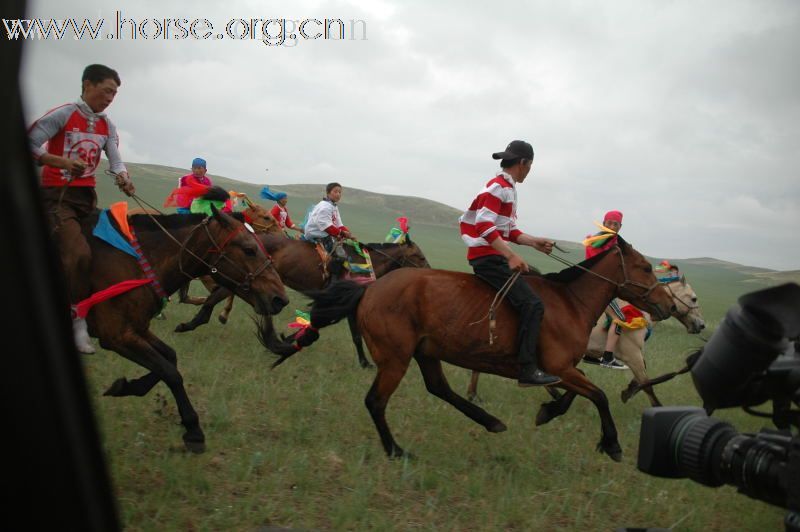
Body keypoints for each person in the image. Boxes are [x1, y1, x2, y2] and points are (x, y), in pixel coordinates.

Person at [28, 64, 135, 354]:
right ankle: (75, 324)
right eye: (106, 91)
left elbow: (115, 160)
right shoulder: (63, 114)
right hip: (57, 197)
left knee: (112, 250)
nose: (110, 98)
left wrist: (123, 178)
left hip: (86, 198)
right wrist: (59, 162)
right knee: (78, 254)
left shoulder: (106, 125)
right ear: (88, 85)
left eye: (114, 93)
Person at [459, 140, 560, 386]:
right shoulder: (499, 187)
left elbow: (508, 230)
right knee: (533, 305)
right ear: (524, 163)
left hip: (492, 255)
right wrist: (510, 255)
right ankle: (526, 369)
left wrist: (534, 242)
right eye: (530, 165)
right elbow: (484, 226)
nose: (530, 170)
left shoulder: (507, 187)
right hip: (488, 259)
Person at [583, 210, 628, 369]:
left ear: (620, 227)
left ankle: (589, 354)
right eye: (609, 223)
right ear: (604, 223)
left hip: (599, 286)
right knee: (620, 318)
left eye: (615, 224)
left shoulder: (613, 242)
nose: (612, 226)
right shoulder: (598, 241)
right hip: (598, 287)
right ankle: (608, 357)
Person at [303, 182, 353, 276]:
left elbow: (339, 224)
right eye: (335, 191)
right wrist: (342, 233)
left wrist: (349, 234)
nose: (338, 194)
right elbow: (326, 227)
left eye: (340, 192)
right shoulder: (324, 207)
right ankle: (333, 279)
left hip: (326, 233)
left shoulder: (333, 206)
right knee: (341, 257)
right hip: (317, 234)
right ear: (328, 193)